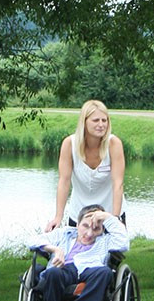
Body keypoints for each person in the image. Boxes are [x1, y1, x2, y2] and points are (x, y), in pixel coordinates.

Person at [24, 204, 129, 301]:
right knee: (52, 273)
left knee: (105, 272)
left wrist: (107, 217)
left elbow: (123, 243)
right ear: (77, 224)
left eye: (96, 228)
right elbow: (32, 240)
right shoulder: (65, 234)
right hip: (65, 269)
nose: (89, 233)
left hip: (91, 271)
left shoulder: (106, 240)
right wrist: (55, 250)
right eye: (85, 226)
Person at [45, 99, 126, 232]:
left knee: (112, 252)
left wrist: (115, 219)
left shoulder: (114, 144)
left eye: (104, 120)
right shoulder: (69, 144)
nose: (101, 125)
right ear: (84, 122)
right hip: (78, 214)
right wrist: (58, 217)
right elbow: (64, 182)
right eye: (96, 120)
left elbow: (118, 183)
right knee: (75, 252)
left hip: (109, 212)